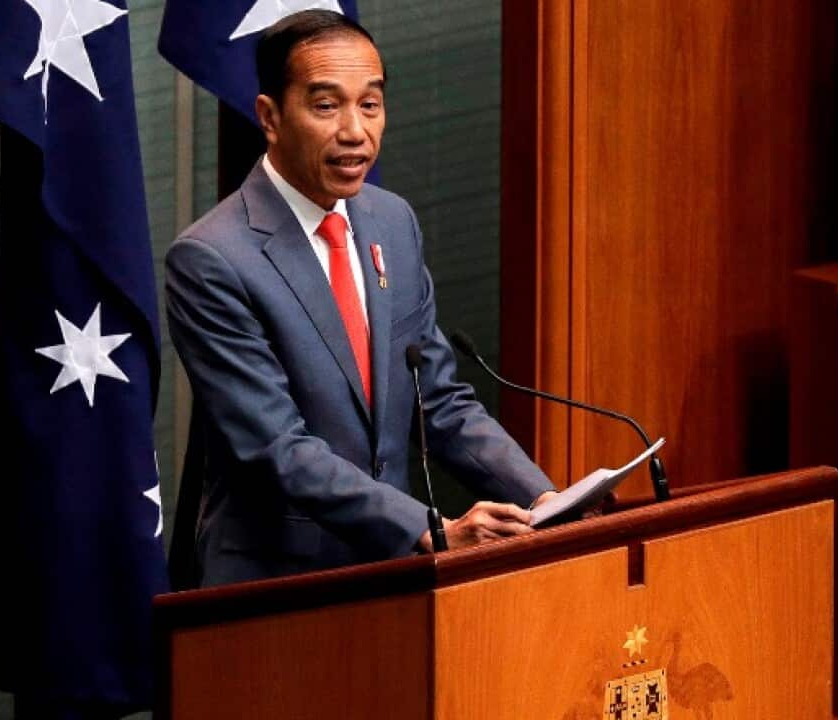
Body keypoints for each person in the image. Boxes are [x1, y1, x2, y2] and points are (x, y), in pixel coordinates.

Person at [166, 10, 557, 588]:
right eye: (326, 106)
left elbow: (439, 403)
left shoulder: (391, 222)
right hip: (274, 590)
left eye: (370, 104)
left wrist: (547, 501)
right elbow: (276, 447)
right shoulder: (212, 257)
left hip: (389, 580)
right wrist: (429, 528)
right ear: (270, 117)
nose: (355, 131)